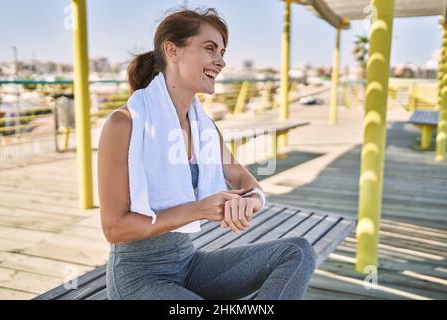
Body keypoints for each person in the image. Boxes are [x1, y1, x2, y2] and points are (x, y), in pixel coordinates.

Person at [98, 7, 316, 300]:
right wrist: (198, 209)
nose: (221, 61)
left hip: (188, 264)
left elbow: (241, 176)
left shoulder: (204, 127)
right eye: (210, 48)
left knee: (297, 252)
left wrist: (252, 199)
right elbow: (115, 229)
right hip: (138, 277)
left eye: (223, 52)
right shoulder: (124, 124)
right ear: (172, 50)